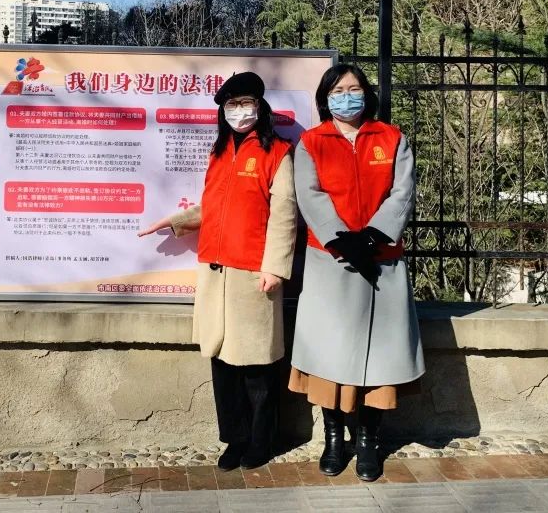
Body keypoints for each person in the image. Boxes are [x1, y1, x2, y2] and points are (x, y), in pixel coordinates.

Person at [138, 72, 297, 471]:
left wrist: (275, 268)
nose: (239, 111)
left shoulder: (278, 152)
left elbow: (284, 215)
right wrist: (176, 221)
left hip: (253, 273)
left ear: (260, 106)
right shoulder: (220, 150)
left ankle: (261, 440)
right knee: (222, 361)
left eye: (246, 103)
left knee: (257, 364)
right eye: (232, 105)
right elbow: (214, 207)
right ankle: (235, 439)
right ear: (223, 111)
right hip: (215, 271)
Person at [288, 63, 425, 482]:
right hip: (331, 261)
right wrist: (342, 240)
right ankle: (333, 437)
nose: (347, 96)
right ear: (325, 98)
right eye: (338, 90)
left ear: (367, 92)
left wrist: (373, 236)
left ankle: (368, 440)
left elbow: (403, 191)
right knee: (328, 353)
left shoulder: (391, 138)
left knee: (379, 358)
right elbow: (309, 194)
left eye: (354, 88)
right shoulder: (312, 142)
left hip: (382, 260)